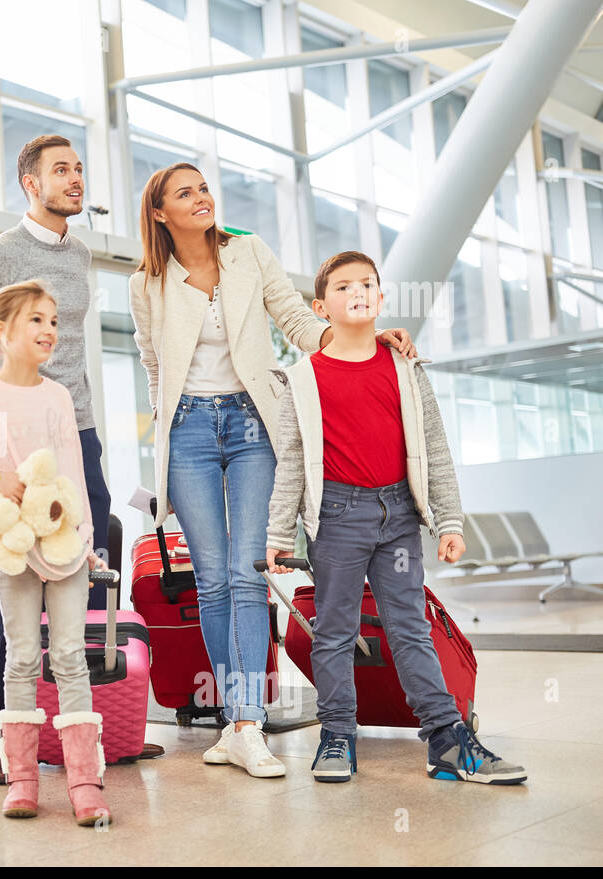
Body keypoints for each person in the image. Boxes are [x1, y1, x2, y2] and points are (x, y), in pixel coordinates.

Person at [129, 163, 416, 778]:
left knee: (247, 571)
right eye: (185, 194)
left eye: (203, 187)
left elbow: (300, 324)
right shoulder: (146, 283)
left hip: (254, 422)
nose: (202, 199)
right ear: (160, 213)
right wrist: (164, 438)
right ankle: (235, 724)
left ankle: (247, 722)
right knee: (209, 580)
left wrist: (361, 333)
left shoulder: (250, 253)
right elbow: (154, 367)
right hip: (187, 435)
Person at [264, 251, 527, 786]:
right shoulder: (305, 377)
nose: (357, 291)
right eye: (343, 286)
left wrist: (450, 521)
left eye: (367, 283)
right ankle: (337, 735)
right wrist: (275, 533)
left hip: (400, 514)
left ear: (380, 298)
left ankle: (447, 743)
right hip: (337, 515)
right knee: (333, 632)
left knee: (411, 629)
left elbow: (434, 447)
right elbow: (291, 457)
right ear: (321, 306)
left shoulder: (406, 366)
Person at [0, 134, 135, 785]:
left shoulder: (80, 253)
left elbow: (70, 349)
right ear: (31, 182)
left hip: (77, 434)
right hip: (15, 446)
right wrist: (0, 426)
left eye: (79, 170)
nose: (75, 180)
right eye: (62, 170)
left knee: (78, 568)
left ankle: (66, 728)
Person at [0, 280, 112, 824]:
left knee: (68, 656)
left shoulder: (57, 396)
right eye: (37, 320)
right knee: (20, 658)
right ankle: (21, 781)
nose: (49, 331)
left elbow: (72, 473)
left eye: (54, 321)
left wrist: (86, 540)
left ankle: (85, 782)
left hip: (64, 548)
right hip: (12, 549)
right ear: (0, 331)